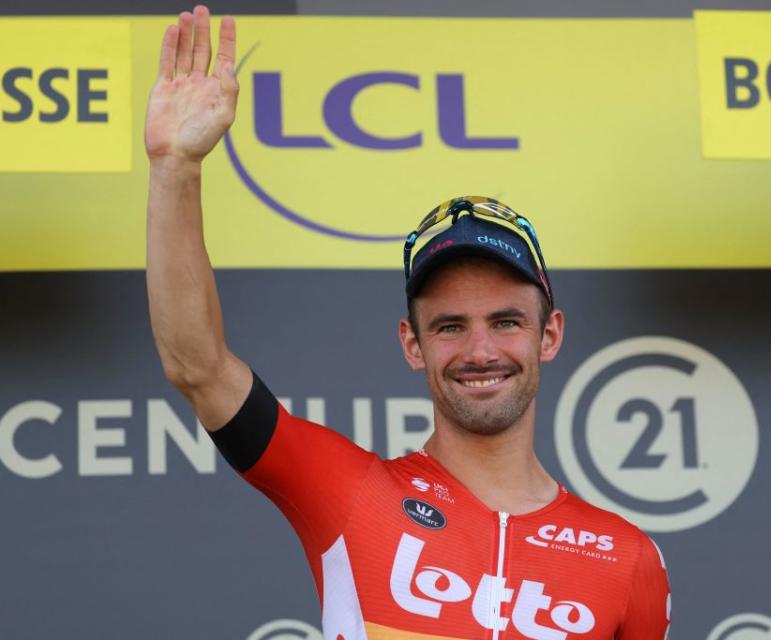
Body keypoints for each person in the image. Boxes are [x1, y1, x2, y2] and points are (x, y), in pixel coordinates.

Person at [145, 6, 670, 638]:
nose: (480, 350)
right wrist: (176, 168)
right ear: (411, 344)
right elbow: (197, 366)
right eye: (449, 326)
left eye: (505, 321)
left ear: (549, 334)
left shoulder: (626, 557)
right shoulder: (348, 494)